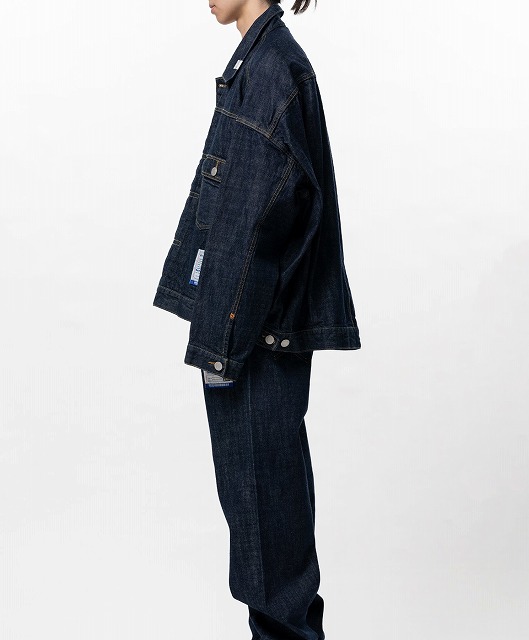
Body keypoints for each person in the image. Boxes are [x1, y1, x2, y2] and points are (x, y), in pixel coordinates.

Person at [153, 1, 361, 638]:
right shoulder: (269, 64)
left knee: (270, 556)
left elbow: (251, 227)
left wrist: (218, 349)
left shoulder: (269, 71)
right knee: (273, 540)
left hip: (249, 343)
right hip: (258, 334)